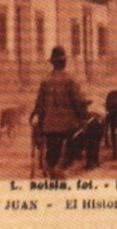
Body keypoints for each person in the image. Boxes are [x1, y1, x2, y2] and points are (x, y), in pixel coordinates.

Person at [31, 45, 88, 180]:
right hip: (68, 127)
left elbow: (39, 105)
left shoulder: (45, 81)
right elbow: (77, 102)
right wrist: (83, 117)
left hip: (49, 127)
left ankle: (53, 174)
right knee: (80, 138)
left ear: (53, 63)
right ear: (64, 62)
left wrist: (37, 117)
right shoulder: (71, 80)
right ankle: (61, 168)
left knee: (52, 155)